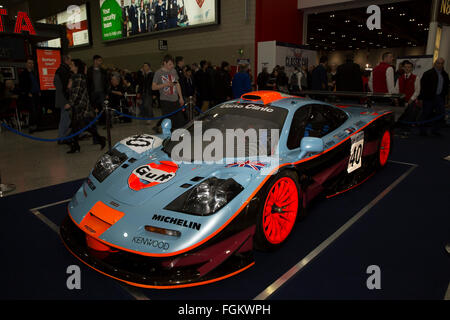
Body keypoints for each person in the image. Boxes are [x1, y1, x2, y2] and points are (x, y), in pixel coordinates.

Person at [64, 59, 106, 153]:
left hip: (81, 106)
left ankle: (99, 139)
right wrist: (69, 86)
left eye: (72, 64)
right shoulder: (74, 77)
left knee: (82, 126)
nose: (70, 65)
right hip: (77, 106)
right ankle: (76, 146)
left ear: (76, 67)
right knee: (79, 127)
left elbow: (77, 92)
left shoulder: (79, 77)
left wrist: (69, 103)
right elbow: (71, 91)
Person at [418, 57, 449, 136]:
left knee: (440, 114)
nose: (440, 65)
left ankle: (435, 130)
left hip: (440, 97)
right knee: (426, 114)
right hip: (428, 97)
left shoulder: (445, 74)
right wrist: (421, 98)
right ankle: (422, 131)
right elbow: (423, 87)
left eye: (442, 63)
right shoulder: (428, 73)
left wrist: (445, 98)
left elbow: (446, 88)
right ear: (435, 63)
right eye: (438, 63)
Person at [152, 54, 185, 129]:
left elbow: (177, 84)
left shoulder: (173, 71)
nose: (172, 66)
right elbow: (153, 87)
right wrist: (165, 84)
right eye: (170, 64)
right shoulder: (158, 73)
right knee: (168, 122)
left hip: (175, 100)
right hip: (165, 101)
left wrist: (181, 97)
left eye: (172, 64)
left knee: (179, 121)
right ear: (164, 63)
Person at [18, 59, 41, 133]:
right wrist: (28, 92)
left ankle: (36, 125)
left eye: (32, 63)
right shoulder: (23, 73)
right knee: (32, 111)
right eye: (29, 63)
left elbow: (36, 83)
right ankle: (31, 127)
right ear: (26, 64)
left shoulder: (34, 73)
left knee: (37, 110)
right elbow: (22, 85)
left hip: (36, 94)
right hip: (30, 95)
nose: (31, 64)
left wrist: (39, 91)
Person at [54, 54, 72, 144]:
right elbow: (65, 87)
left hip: (61, 97)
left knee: (65, 118)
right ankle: (61, 138)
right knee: (65, 119)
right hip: (64, 98)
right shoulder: (64, 71)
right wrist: (66, 100)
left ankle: (63, 137)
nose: (71, 62)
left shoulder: (59, 70)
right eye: (70, 60)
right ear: (66, 60)